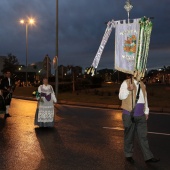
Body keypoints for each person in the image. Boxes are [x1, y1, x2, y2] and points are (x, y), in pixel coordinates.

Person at [119, 75, 160, 163]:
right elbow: (121, 96)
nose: (141, 74)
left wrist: (146, 111)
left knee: (143, 136)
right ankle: (128, 155)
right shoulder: (126, 83)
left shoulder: (143, 85)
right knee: (129, 136)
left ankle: (148, 157)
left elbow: (145, 99)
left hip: (141, 115)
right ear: (134, 73)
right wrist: (128, 89)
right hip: (129, 114)